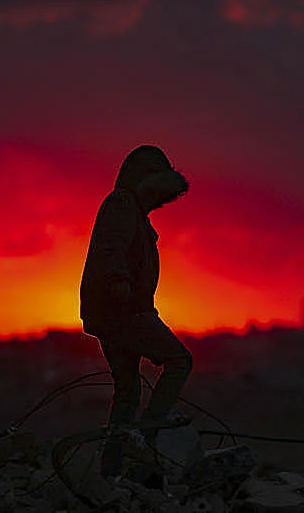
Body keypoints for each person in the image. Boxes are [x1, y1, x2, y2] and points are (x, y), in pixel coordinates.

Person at [79, 144, 193, 478]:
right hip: (124, 312)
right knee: (179, 361)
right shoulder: (122, 204)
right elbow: (110, 245)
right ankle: (146, 436)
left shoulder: (133, 211)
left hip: (113, 313)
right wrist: (119, 281)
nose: (160, 203)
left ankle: (112, 470)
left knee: (128, 392)